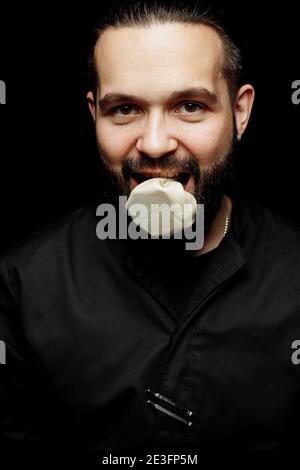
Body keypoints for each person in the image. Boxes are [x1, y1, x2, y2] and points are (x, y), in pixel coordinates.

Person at [0, 0, 300, 452]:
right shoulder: (23, 282)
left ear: (240, 112)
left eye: (190, 106)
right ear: (94, 115)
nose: (155, 144)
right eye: (124, 109)